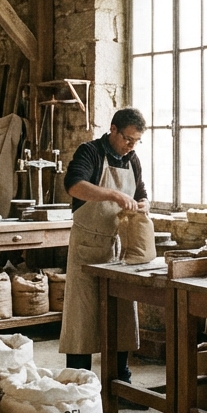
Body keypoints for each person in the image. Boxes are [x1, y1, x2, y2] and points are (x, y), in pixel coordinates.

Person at [59, 107, 149, 379]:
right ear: (113, 129)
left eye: (136, 141)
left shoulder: (132, 160)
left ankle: (120, 379)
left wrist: (144, 204)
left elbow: (142, 192)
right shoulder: (90, 152)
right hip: (88, 245)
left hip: (118, 247)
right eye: (127, 139)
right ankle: (79, 382)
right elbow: (74, 185)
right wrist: (113, 195)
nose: (131, 146)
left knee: (121, 314)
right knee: (82, 317)